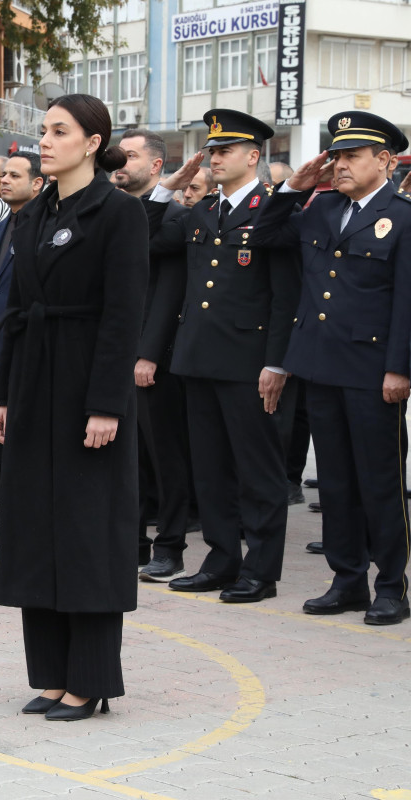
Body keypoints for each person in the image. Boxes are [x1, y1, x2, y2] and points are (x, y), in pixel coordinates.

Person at [0, 93, 148, 721]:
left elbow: (123, 315)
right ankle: (51, 674)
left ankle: (91, 680)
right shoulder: (31, 215)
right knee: (35, 530)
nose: (44, 141)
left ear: (91, 142)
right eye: (43, 130)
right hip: (33, 382)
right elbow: (18, 313)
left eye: (59, 131)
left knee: (87, 533)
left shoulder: (118, 212)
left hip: (88, 385)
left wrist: (107, 404)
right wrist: (3, 395)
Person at [250, 112, 411, 625]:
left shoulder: (403, 216)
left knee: (379, 482)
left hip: (372, 369)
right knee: (337, 482)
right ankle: (347, 582)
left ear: (385, 160)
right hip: (320, 363)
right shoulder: (322, 210)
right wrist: (294, 189)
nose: (339, 165)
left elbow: (407, 300)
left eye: (351, 156)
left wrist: (400, 369)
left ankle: (391, 585)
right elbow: (262, 236)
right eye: (335, 155)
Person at [144, 109, 300, 603]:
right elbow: (146, 237)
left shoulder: (271, 210)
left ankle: (260, 569)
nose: (213, 157)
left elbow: (284, 297)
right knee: (208, 469)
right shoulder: (203, 211)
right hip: (197, 358)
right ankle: (220, 558)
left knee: (257, 471)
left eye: (224, 150)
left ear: (253, 156)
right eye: (211, 150)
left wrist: (275, 364)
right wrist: (167, 187)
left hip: (248, 363)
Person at [118, 129, 195, 582]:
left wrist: (148, 353)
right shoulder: (114, 209)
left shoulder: (177, 217)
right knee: (127, 457)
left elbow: (168, 290)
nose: (120, 164)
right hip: (116, 353)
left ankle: (170, 546)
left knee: (165, 456)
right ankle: (131, 542)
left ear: (156, 167)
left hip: (155, 355)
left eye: (130, 156)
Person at [0, 152, 45, 546]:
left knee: (27, 440)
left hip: (30, 349)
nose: (4, 181)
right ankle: (10, 520)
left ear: (38, 184)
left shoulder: (43, 225)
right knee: (5, 440)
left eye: (15, 175)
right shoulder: (1, 228)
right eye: (3, 175)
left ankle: (26, 522)